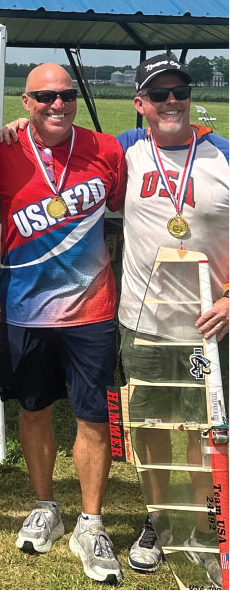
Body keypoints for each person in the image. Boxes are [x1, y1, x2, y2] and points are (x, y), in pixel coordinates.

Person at [0, 63, 126, 585]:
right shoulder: (3, 148)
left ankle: (91, 522)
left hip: (92, 310)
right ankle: (45, 504)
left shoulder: (106, 149)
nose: (58, 105)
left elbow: (118, 208)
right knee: (34, 408)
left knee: (94, 415)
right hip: (26, 309)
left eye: (66, 95)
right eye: (45, 96)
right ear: (25, 102)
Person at [117, 54, 228, 587]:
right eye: (157, 94)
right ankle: (159, 519)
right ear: (140, 105)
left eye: (179, 91)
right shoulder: (126, 150)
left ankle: (210, 529)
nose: (170, 102)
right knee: (151, 427)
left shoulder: (222, 153)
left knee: (209, 432)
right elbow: (59, 141)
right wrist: (22, 125)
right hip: (143, 324)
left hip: (211, 327)